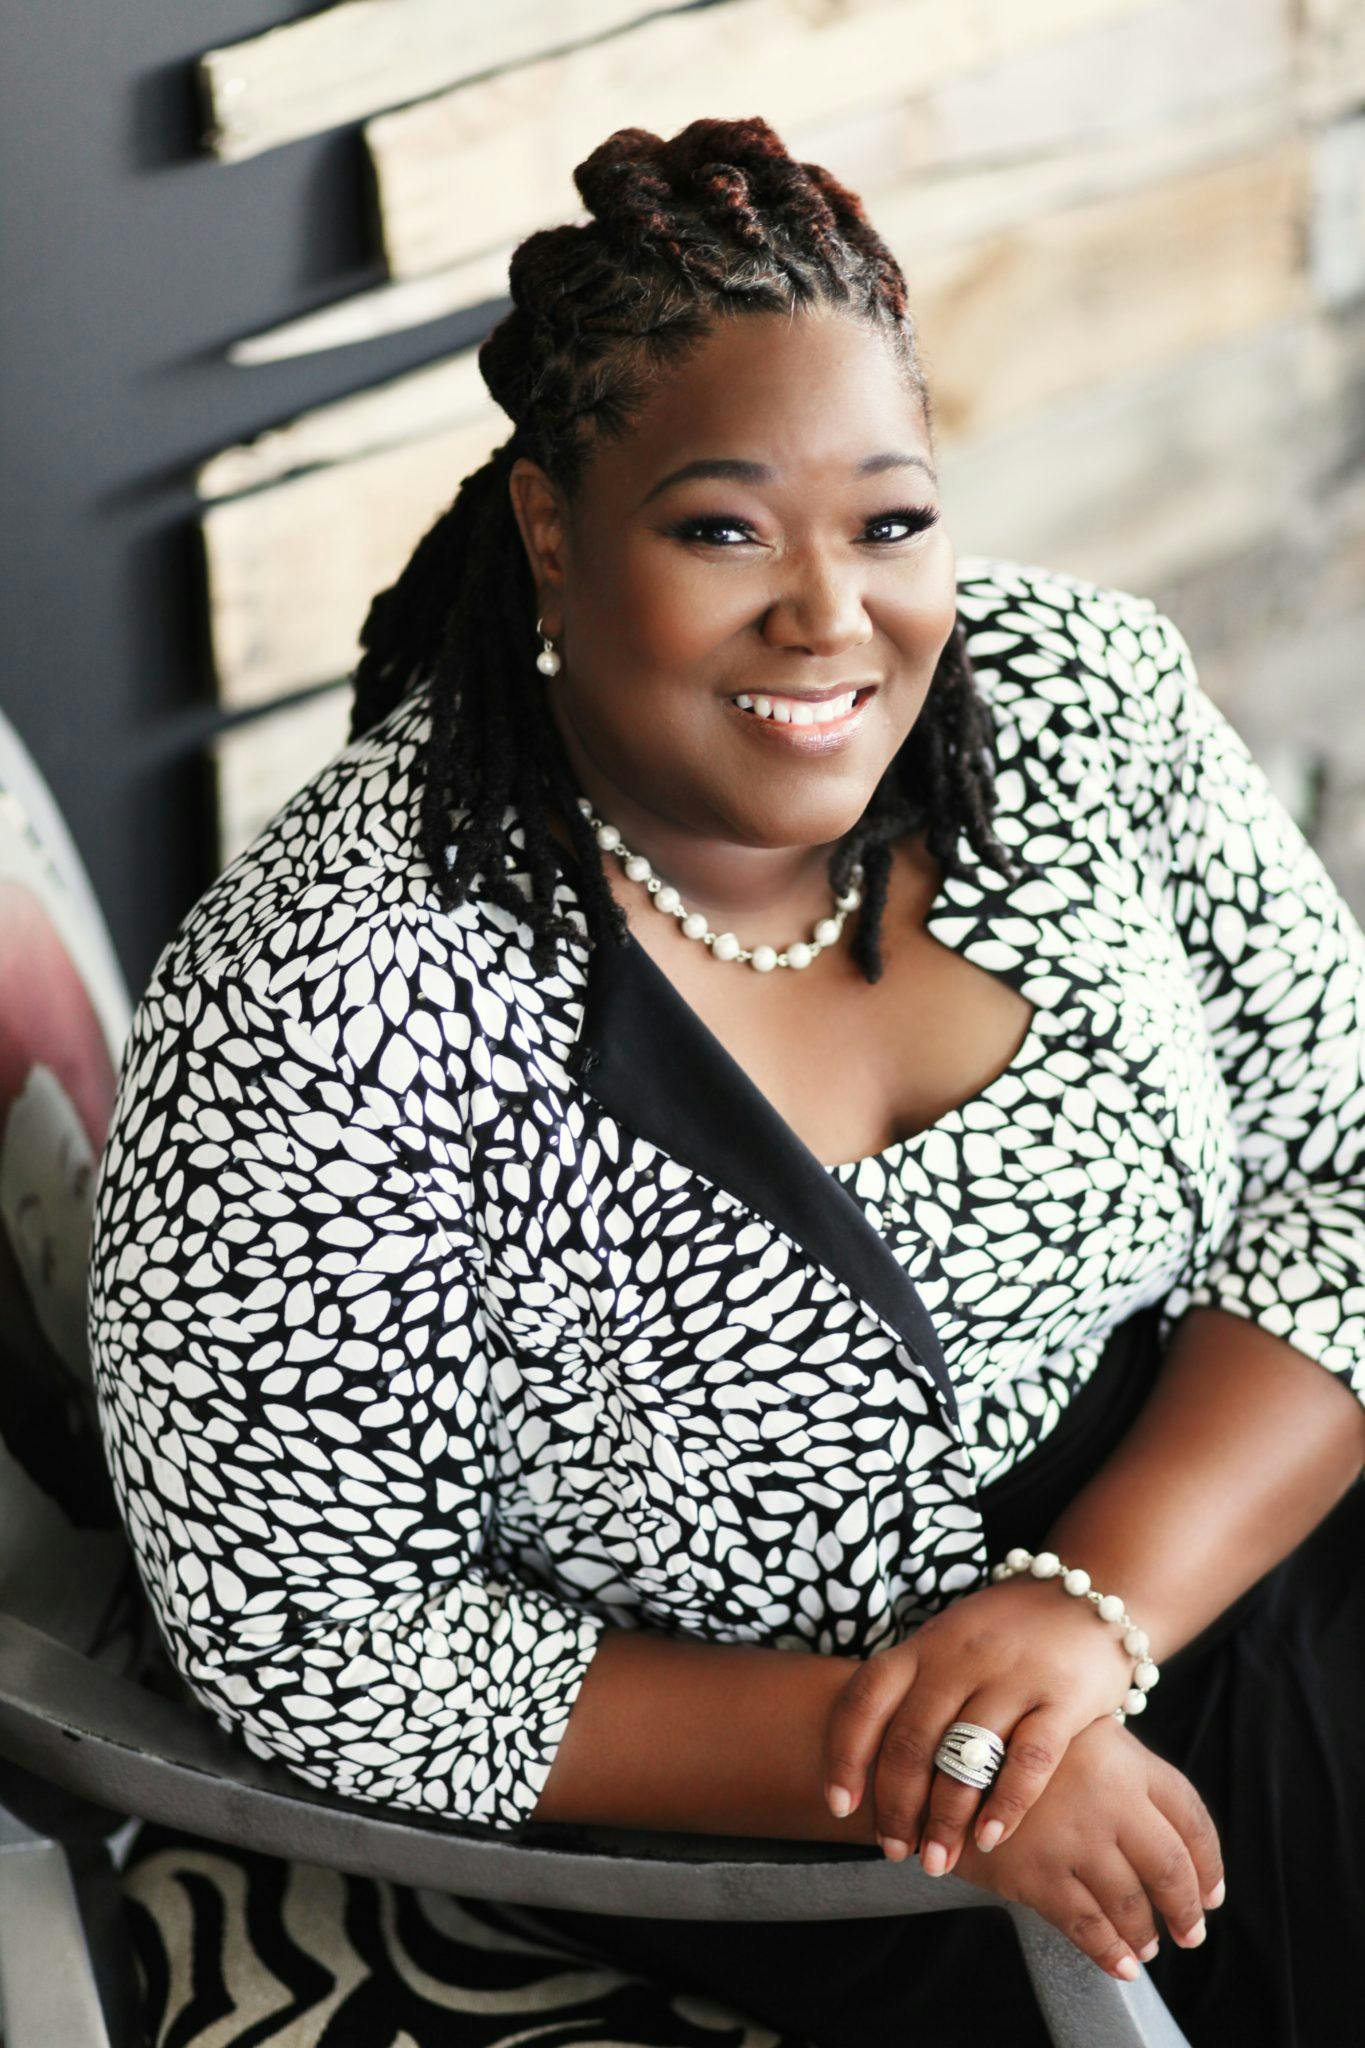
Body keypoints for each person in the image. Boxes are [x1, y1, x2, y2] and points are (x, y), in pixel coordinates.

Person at [89, 116, 1365, 2046]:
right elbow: (330, 1652)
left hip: (1225, 1548)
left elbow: (1339, 1171)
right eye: (721, 527)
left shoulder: (1082, 698)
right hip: (804, 1813)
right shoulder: (328, 999)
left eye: (890, 520)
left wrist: (1083, 1619)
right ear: (549, 527)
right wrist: (956, 1761)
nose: (829, 617)